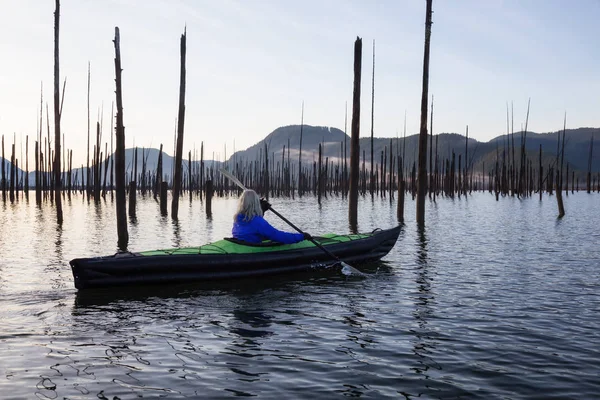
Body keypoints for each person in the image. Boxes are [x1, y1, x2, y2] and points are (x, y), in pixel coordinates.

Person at [232, 189, 311, 244]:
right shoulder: (258, 222)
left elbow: (252, 228)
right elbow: (277, 235)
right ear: (256, 203)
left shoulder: (237, 219)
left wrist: (262, 211)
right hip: (251, 248)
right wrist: (301, 237)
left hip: (243, 243)